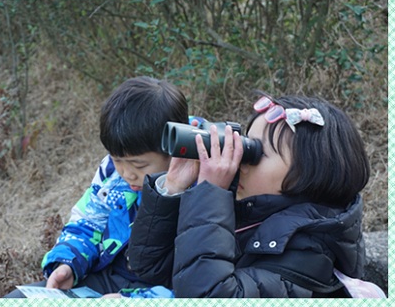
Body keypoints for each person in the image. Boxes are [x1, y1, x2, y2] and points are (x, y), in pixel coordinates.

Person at [127, 95, 372, 298]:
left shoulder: (310, 253)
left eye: (256, 153)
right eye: (246, 145)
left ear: (308, 174)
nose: (241, 162)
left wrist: (209, 194)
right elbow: (150, 267)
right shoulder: (249, 210)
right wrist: (173, 188)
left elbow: (207, 296)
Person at [4, 76, 189, 297]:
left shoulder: (200, 184)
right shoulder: (112, 174)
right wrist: (68, 263)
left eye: (139, 165)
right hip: (108, 278)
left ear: (173, 149)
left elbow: (200, 277)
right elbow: (88, 221)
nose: (127, 173)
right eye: (117, 160)